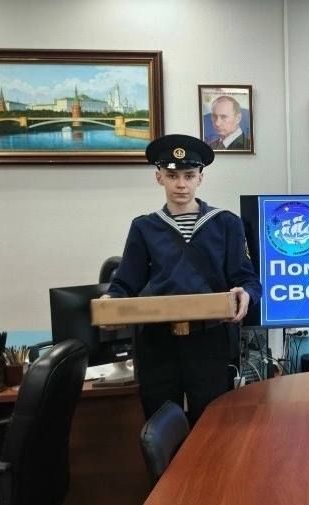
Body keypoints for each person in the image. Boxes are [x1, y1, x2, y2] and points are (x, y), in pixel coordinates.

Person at [103, 134, 262, 424]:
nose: (181, 184)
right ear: (159, 177)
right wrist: (110, 301)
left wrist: (247, 294)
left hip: (210, 340)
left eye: (189, 176)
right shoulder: (144, 227)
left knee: (213, 425)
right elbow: (125, 283)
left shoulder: (226, 223)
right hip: (157, 343)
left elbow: (247, 279)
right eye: (172, 175)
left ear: (200, 178)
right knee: (160, 423)